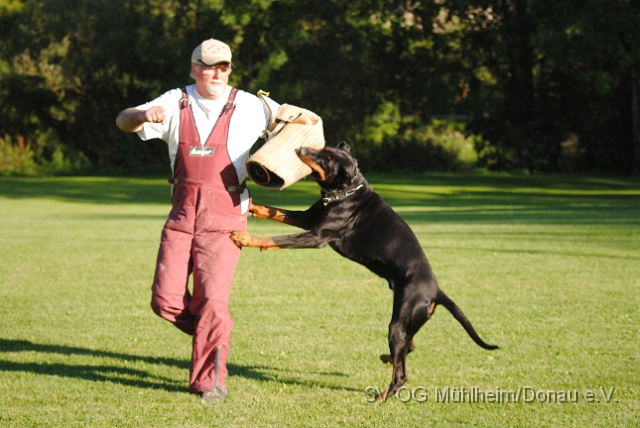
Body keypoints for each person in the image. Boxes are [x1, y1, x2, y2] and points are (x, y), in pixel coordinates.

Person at [115, 38, 280, 402]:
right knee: (165, 301)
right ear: (194, 68)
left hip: (226, 219)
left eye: (223, 66)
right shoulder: (174, 101)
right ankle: (215, 332)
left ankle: (210, 380)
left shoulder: (252, 106)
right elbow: (123, 119)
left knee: (211, 303)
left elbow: (301, 123)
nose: (216, 73)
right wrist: (143, 116)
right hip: (181, 215)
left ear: (230, 70)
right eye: (208, 66)